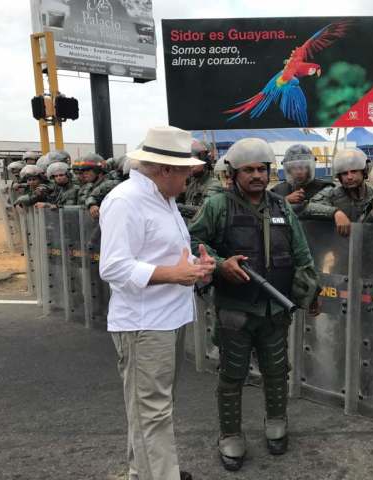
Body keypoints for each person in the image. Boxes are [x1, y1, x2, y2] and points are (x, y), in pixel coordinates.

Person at [188, 137, 320, 471]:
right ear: (233, 173)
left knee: (277, 370)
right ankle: (230, 434)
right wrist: (220, 264)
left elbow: (301, 252)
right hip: (235, 308)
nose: (257, 175)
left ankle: (277, 421)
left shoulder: (281, 206)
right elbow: (192, 241)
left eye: (262, 169)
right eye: (248, 170)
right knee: (232, 374)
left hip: (276, 309)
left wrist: (310, 291)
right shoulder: (218, 205)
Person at [99, 126, 215, 480]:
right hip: (144, 324)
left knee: (152, 409)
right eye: (186, 171)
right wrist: (174, 275)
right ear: (165, 169)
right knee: (152, 411)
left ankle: (146, 472)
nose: (190, 177)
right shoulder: (126, 201)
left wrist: (197, 269)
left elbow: (167, 257)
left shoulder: (162, 200)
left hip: (166, 319)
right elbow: (114, 266)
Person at [303, 148, 373, 236]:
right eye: (345, 173)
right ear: (339, 177)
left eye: (354, 171)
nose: (349, 177)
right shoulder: (332, 193)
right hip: (339, 245)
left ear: (364, 172)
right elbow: (307, 208)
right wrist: (335, 212)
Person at [271, 144, 333, 217]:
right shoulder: (277, 191)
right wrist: (285, 200)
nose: (299, 172)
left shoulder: (324, 188)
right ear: (289, 170)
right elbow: (266, 212)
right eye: (294, 168)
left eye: (303, 167)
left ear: (309, 169)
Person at [177, 140, 222, 220]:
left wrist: (176, 207)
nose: (190, 165)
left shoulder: (214, 184)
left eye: (193, 161)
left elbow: (205, 212)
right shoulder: (192, 182)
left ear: (204, 160)